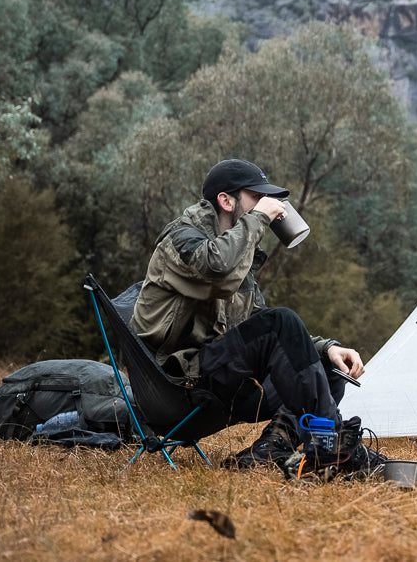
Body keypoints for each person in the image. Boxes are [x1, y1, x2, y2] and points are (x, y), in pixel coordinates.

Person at [129, 158, 383, 479]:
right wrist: (260, 217)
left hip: (223, 379)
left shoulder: (238, 255)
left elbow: (258, 323)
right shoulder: (182, 239)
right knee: (282, 321)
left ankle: (270, 450)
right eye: (257, 198)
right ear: (226, 200)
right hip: (181, 381)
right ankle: (332, 449)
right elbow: (216, 268)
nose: (268, 206)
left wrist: (325, 348)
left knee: (329, 369)